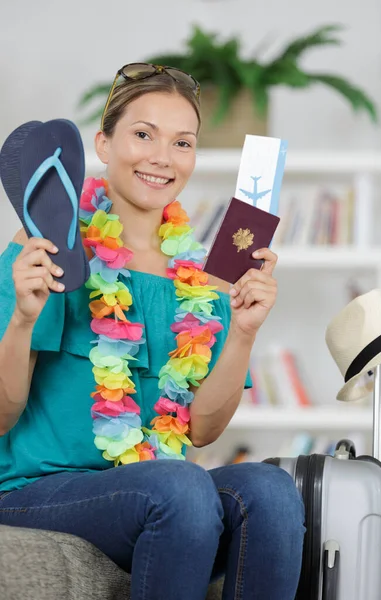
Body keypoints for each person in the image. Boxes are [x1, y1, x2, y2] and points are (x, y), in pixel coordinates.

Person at [0, 63, 305, 600]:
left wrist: (244, 332)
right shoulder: (49, 249)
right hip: (41, 490)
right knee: (181, 486)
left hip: (161, 491)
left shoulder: (205, 278)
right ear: (104, 142)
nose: (163, 157)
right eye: (143, 134)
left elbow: (202, 432)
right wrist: (24, 319)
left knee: (272, 491)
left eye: (182, 142)